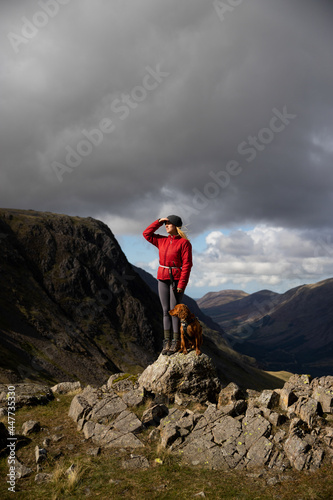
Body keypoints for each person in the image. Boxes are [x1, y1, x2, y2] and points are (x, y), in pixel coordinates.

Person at [143, 215, 193, 355]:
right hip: (162, 278)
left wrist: (181, 284)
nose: (166, 226)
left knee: (174, 312)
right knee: (165, 311)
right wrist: (158, 221)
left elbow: (187, 265)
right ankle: (167, 342)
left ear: (176, 226)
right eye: (166, 224)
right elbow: (146, 233)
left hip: (176, 280)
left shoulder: (184, 243)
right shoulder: (161, 240)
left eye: (169, 224)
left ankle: (176, 342)